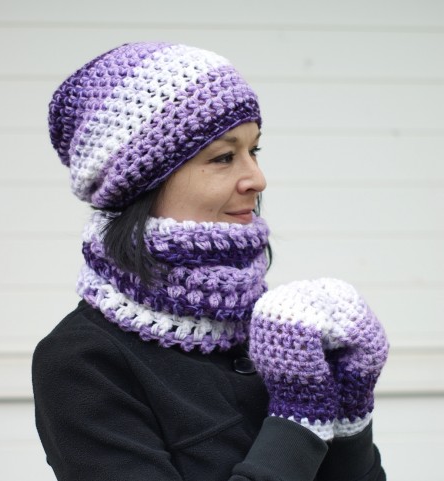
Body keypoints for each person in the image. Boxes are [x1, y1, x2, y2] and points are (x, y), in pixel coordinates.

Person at [32, 42, 389, 481]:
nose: (257, 179)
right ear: (142, 183)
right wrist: (299, 421)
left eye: (254, 151)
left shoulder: (278, 331)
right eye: (223, 157)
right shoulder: (84, 362)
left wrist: (351, 413)